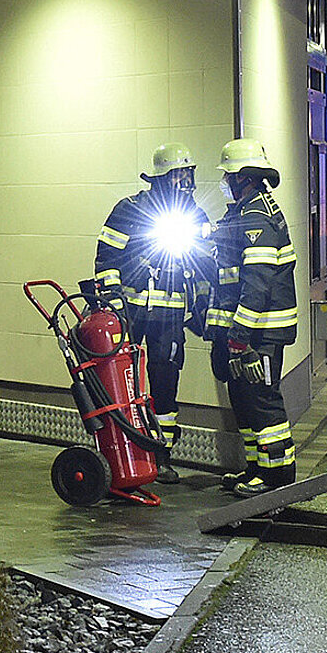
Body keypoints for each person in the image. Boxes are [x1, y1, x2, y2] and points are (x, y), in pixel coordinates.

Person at [94, 142, 213, 483]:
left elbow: (204, 269)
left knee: (165, 383)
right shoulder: (129, 210)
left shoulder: (194, 216)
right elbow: (106, 258)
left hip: (169, 318)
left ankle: (161, 455)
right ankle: (124, 452)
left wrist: (201, 311)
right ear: (161, 178)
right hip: (130, 314)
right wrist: (115, 302)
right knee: (123, 382)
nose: (185, 181)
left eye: (188, 173)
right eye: (178, 174)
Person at [206, 138, 299, 498]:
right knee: (245, 403)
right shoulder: (246, 212)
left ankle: (276, 477)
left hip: (260, 333)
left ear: (242, 178)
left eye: (228, 177)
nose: (225, 183)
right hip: (248, 332)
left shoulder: (256, 218)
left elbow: (257, 283)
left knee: (262, 403)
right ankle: (256, 468)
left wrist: (239, 334)